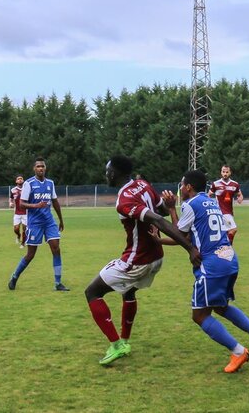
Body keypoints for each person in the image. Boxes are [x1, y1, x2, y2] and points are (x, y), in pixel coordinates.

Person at [83, 155, 200, 366]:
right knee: (128, 291)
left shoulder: (124, 200)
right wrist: (169, 205)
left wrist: (189, 248)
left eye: (108, 170)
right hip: (156, 257)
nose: (106, 174)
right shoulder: (143, 184)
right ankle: (125, 341)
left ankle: (117, 345)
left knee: (92, 291)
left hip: (138, 260)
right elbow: (161, 209)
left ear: (116, 173)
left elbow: (157, 218)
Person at [160, 169, 249, 373]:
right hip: (229, 259)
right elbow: (188, 236)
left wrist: (170, 212)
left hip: (211, 266)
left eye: (181, 184)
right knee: (220, 307)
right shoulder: (212, 202)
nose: (180, 188)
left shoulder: (190, 204)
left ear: (188, 187)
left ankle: (238, 352)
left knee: (200, 316)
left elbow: (180, 236)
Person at [7, 158, 68, 291]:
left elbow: (55, 202)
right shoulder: (29, 183)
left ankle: (58, 283)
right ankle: (14, 277)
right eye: (38, 166)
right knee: (30, 255)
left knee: (56, 249)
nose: (41, 168)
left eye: (43, 166)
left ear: (45, 168)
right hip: (34, 223)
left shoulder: (50, 183)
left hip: (49, 222)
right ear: (34, 169)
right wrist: (36, 205)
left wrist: (61, 220)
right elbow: (22, 203)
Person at [211, 165, 244, 243]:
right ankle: (228, 247)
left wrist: (240, 198)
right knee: (233, 229)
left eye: (227, 172)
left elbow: (240, 194)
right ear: (221, 172)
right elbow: (208, 195)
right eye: (223, 172)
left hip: (229, 212)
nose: (225, 174)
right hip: (220, 211)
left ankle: (223, 249)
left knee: (226, 232)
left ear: (230, 173)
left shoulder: (234, 184)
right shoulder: (216, 184)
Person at [9, 175, 27, 248]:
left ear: (23, 181)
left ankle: (23, 243)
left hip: (26, 212)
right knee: (16, 229)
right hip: (17, 212)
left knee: (25, 228)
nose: (20, 180)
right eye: (18, 179)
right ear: (16, 181)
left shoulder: (27, 189)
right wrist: (10, 203)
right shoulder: (13, 190)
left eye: (21, 179)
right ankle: (18, 235)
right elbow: (11, 198)